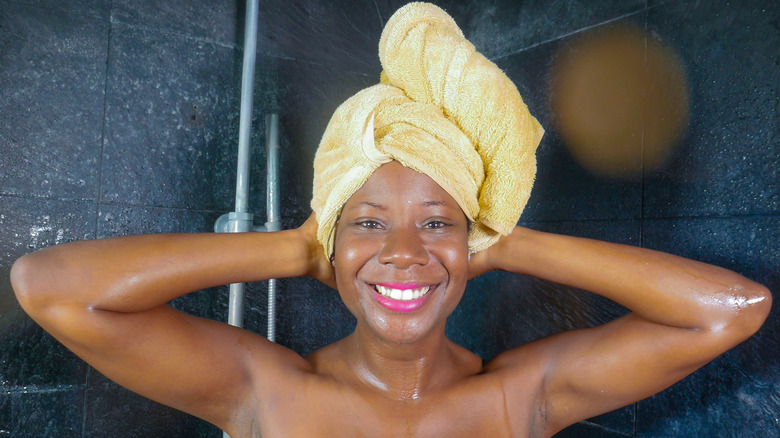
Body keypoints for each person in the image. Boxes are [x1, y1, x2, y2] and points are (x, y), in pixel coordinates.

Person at [10, 3, 771, 438]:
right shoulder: (263, 393)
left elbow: (732, 312)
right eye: (368, 224)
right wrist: (287, 247)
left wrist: (511, 243)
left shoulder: (519, 398)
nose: (405, 252)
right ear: (331, 248)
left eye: (438, 224)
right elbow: (47, 286)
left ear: (473, 242)